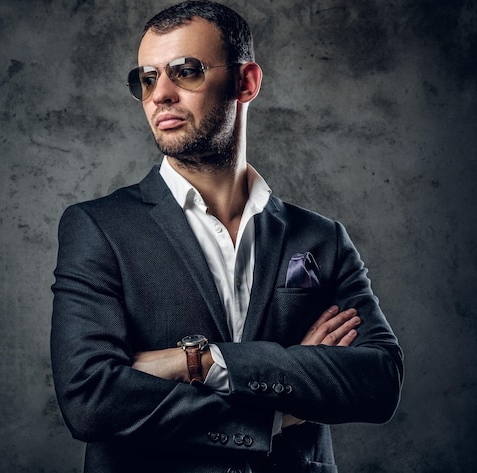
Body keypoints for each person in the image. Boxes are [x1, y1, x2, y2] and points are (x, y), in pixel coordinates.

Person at [50, 1, 403, 472]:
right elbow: (90, 398)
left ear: (246, 82)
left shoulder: (321, 238)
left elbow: (379, 382)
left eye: (186, 71)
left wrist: (197, 362)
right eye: (148, 78)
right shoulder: (97, 228)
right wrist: (277, 409)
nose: (160, 95)